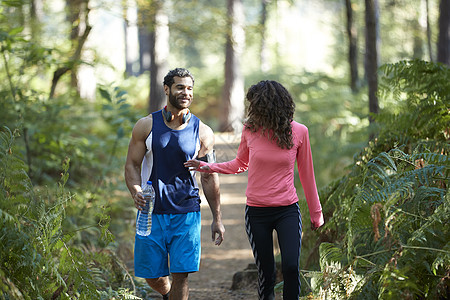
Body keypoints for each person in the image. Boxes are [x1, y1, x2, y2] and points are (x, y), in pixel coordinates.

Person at [185, 80, 324, 300]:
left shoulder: (299, 132)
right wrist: (209, 166)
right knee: (266, 273)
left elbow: (307, 176)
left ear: (265, 105)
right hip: (257, 212)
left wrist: (317, 214)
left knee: (290, 267)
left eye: (254, 105)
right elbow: (240, 163)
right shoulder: (251, 130)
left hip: (287, 210)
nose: (252, 110)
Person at [124, 67, 225, 300]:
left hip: (186, 211)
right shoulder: (145, 126)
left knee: (182, 274)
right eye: (180, 87)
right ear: (167, 89)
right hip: (150, 212)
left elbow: (209, 175)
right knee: (152, 275)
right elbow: (131, 165)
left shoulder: (204, 132)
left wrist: (217, 218)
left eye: (190, 88)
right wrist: (135, 190)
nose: (186, 92)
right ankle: (167, 293)